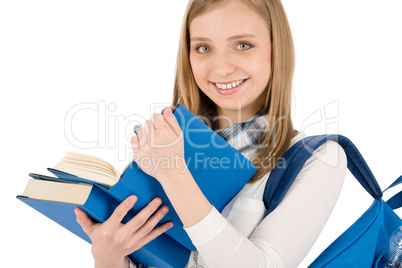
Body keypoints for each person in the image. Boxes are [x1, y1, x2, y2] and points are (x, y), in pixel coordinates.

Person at [74, 0, 347, 267]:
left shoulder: (318, 157)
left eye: (243, 45)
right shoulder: (167, 141)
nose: (222, 68)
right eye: (204, 47)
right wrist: (109, 259)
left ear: (278, 50)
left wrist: (174, 173)